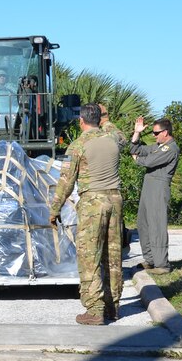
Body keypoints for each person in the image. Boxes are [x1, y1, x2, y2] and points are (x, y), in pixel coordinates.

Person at [49, 104, 126, 325]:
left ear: (81, 121)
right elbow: (122, 137)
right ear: (100, 120)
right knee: (112, 257)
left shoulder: (78, 145)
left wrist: (54, 210)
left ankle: (94, 309)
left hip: (93, 202)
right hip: (115, 200)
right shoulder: (112, 139)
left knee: (89, 256)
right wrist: (107, 119)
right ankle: (113, 308)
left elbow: (66, 182)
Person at [129, 117, 180, 274]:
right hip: (149, 185)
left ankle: (162, 264)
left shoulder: (170, 148)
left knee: (157, 225)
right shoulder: (159, 146)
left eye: (156, 133)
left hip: (158, 186)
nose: (154, 135)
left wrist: (138, 159)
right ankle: (150, 260)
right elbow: (135, 149)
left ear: (165, 132)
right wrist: (137, 133)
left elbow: (148, 161)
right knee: (143, 223)